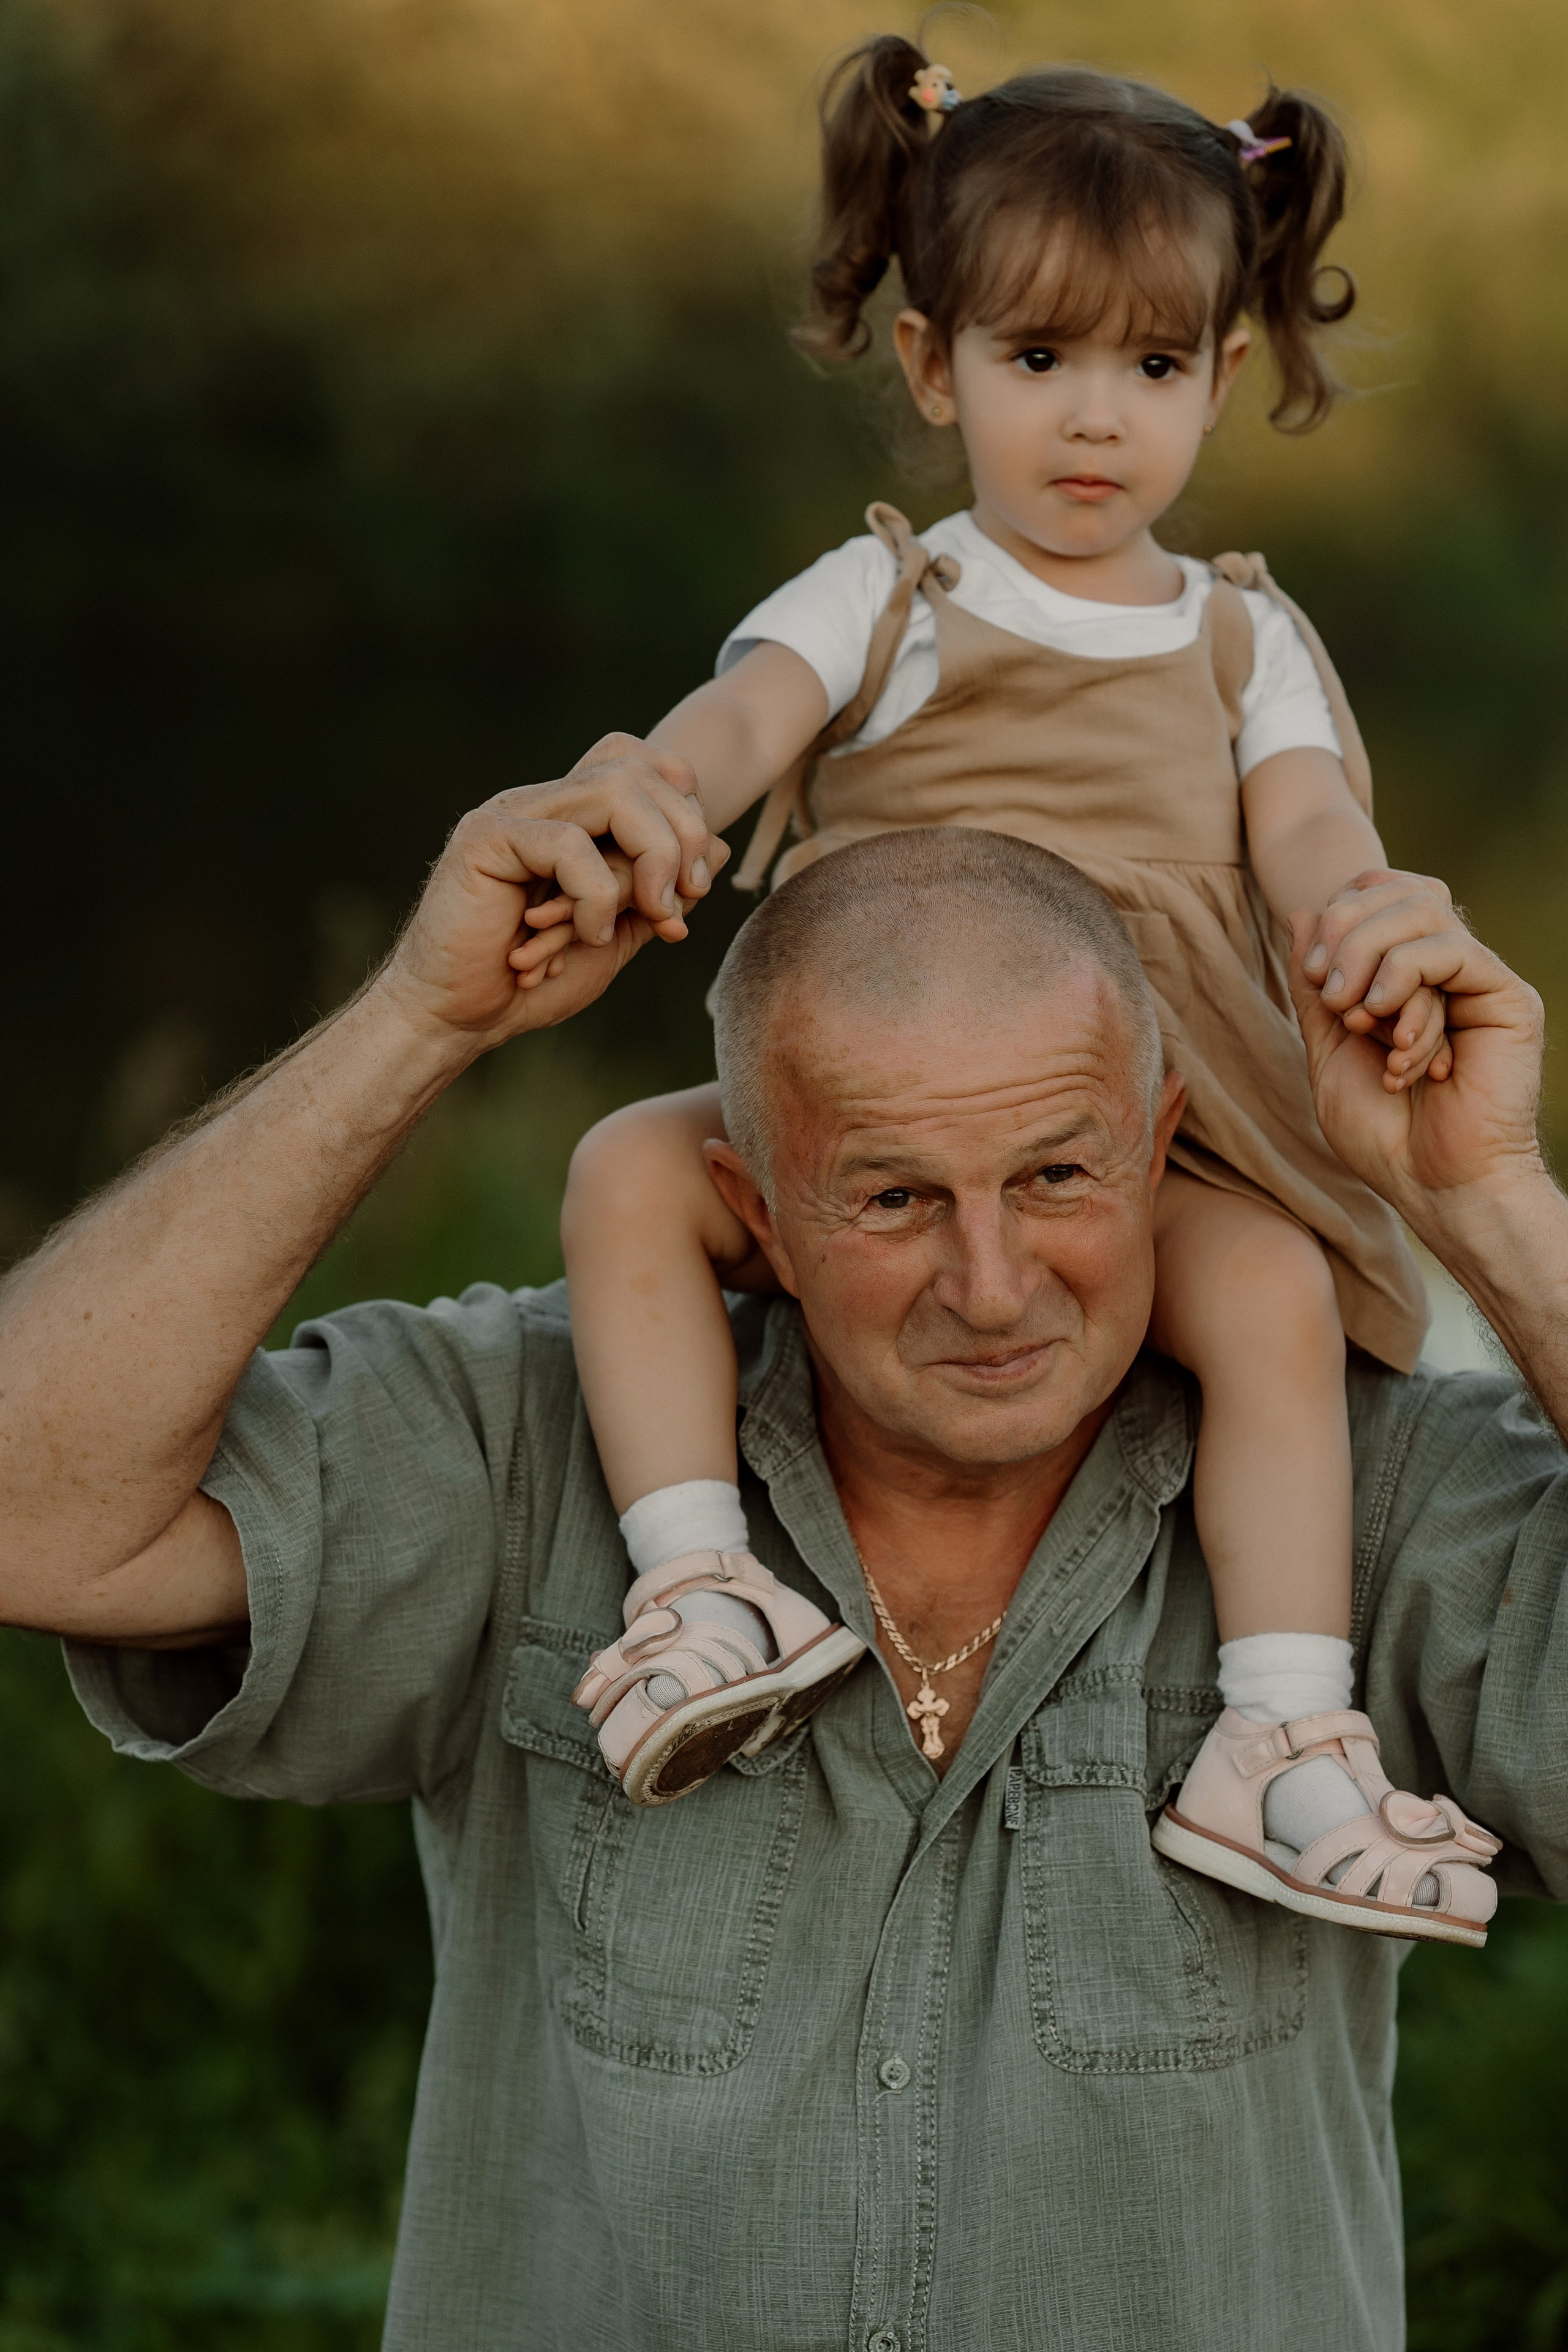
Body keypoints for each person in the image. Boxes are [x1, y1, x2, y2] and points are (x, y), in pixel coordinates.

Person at [1, 791, 1564, 2351]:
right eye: (893, 1197)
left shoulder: (1368, 1490)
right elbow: (37, 1513)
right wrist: (420, 1020)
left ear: (1157, 1148)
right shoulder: (525, 1440)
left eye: (1055, 1178)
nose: (992, 1283)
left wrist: (1482, 1197)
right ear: (753, 1209)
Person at [530, 39, 1500, 1936]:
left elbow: (1309, 833)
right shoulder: (889, 598)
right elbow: (744, 722)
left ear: (1223, 377)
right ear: (930, 363)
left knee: (1276, 1295)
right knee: (624, 1180)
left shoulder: (1241, 636)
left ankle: (1283, 1741)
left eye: (1149, 369)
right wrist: (651, 786)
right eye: (1035, 361)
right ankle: (702, 1582)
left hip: (1160, 1122)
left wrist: (1368, 913)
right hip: (873, 1116)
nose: (1092, 423)